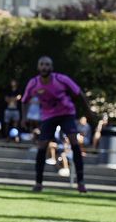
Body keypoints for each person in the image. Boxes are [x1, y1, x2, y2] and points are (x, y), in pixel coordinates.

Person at [21, 56, 90, 193]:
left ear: (51, 68)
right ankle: (38, 183)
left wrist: (88, 111)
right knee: (42, 146)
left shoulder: (61, 79)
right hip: (48, 116)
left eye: (47, 64)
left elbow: (79, 93)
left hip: (66, 114)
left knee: (74, 143)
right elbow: (24, 101)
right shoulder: (34, 83)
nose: (44, 67)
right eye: (42, 64)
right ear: (38, 67)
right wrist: (24, 117)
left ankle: (80, 182)